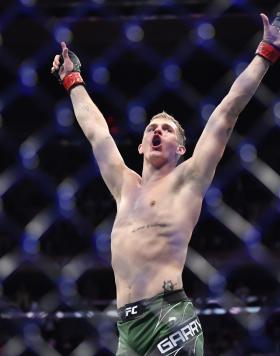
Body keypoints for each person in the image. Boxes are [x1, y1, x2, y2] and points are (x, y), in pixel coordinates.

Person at [51, 13, 280, 356]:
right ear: (141, 146)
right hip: (126, 329)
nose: (157, 131)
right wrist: (73, 79)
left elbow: (226, 113)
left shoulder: (189, 179)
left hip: (169, 315)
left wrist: (266, 52)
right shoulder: (125, 185)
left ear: (181, 148)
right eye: (152, 129)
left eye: (167, 129)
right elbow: (96, 130)